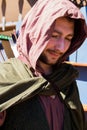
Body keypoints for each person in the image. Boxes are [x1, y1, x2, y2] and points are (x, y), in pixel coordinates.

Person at [0, 0, 87, 129]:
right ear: (35, 32)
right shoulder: (5, 76)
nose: (61, 47)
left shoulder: (66, 80)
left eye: (68, 38)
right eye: (54, 35)